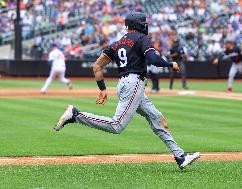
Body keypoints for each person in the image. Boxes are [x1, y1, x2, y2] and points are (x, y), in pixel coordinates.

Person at [54, 12, 200, 170]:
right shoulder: (141, 38)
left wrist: (102, 88)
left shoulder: (117, 43)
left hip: (126, 84)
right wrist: (170, 64)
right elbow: (153, 60)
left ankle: (180, 156)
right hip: (134, 83)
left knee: (157, 119)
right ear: (138, 25)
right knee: (117, 125)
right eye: (143, 23)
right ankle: (76, 115)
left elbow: (97, 66)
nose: (145, 26)